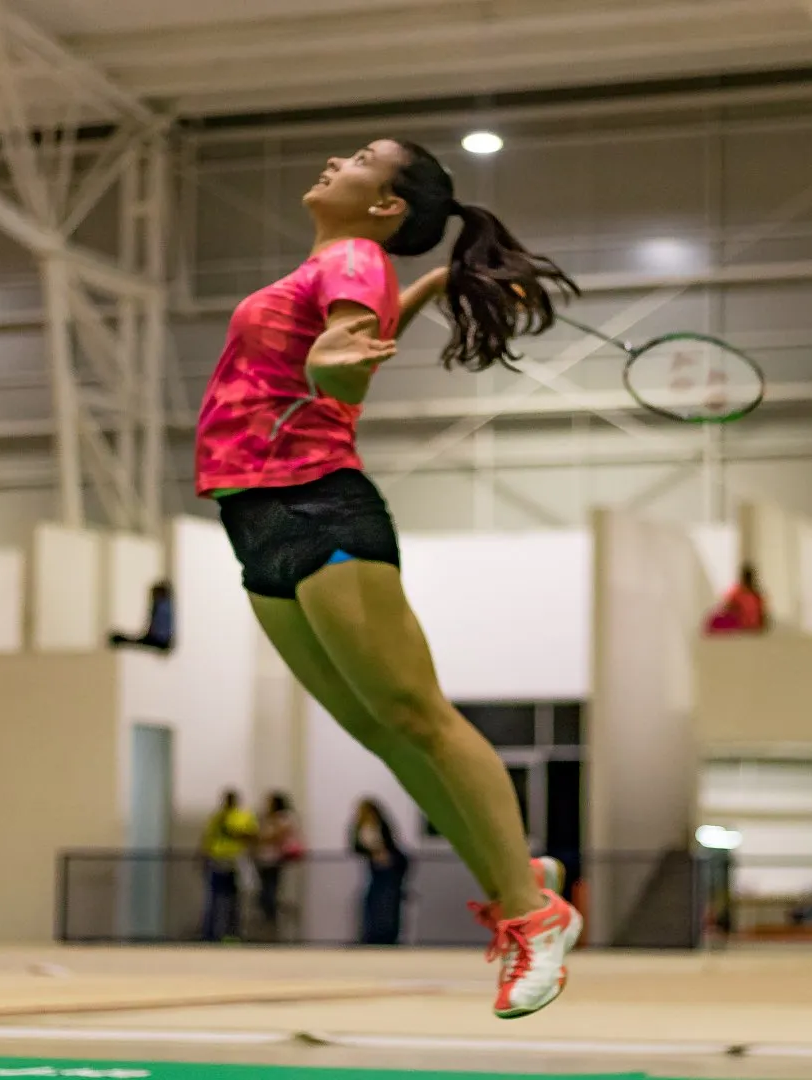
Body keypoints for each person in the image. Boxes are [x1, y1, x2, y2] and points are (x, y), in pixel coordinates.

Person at [194, 138, 581, 1018]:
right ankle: (520, 878)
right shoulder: (344, 268)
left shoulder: (353, 259)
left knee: (418, 718)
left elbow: (340, 357)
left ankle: (534, 914)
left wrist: (337, 364)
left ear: (386, 206)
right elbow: (348, 332)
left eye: (363, 157)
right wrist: (436, 286)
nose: (338, 158)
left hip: (316, 507)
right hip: (257, 519)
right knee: (381, 729)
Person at [198, 789, 257, 942]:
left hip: (235, 862)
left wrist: (234, 832)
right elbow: (207, 838)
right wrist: (203, 857)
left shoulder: (243, 816)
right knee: (214, 898)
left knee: (234, 900)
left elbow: (252, 835)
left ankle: (232, 933)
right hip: (218, 861)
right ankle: (210, 934)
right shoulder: (217, 817)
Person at [351, 798, 410, 946]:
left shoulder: (381, 826)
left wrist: (385, 855)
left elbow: (390, 845)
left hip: (390, 867)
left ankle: (387, 934)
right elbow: (357, 846)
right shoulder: (361, 828)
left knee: (388, 900)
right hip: (376, 868)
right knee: (373, 900)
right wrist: (372, 854)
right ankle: (372, 933)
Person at [252, 791, 304, 941]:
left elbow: (276, 836)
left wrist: (266, 836)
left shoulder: (284, 817)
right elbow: (258, 836)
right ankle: (267, 921)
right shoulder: (264, 818)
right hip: (262, 860)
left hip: (276, 860)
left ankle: (274, 923)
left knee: (271, 892)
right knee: (263, 893)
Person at [108, 581, 175, 652]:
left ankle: (118, 638)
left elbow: (160, 631)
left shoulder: (163, 607)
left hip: (160, 639)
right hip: (158, 638)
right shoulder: (162, 606)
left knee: (120, 638)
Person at [706, 564, 768, 635]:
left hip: (745, 625)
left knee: (716, 621)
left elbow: (727, 605)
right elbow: (727, 606)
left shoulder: (751, 594)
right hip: (747, 626)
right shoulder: (752, 594)